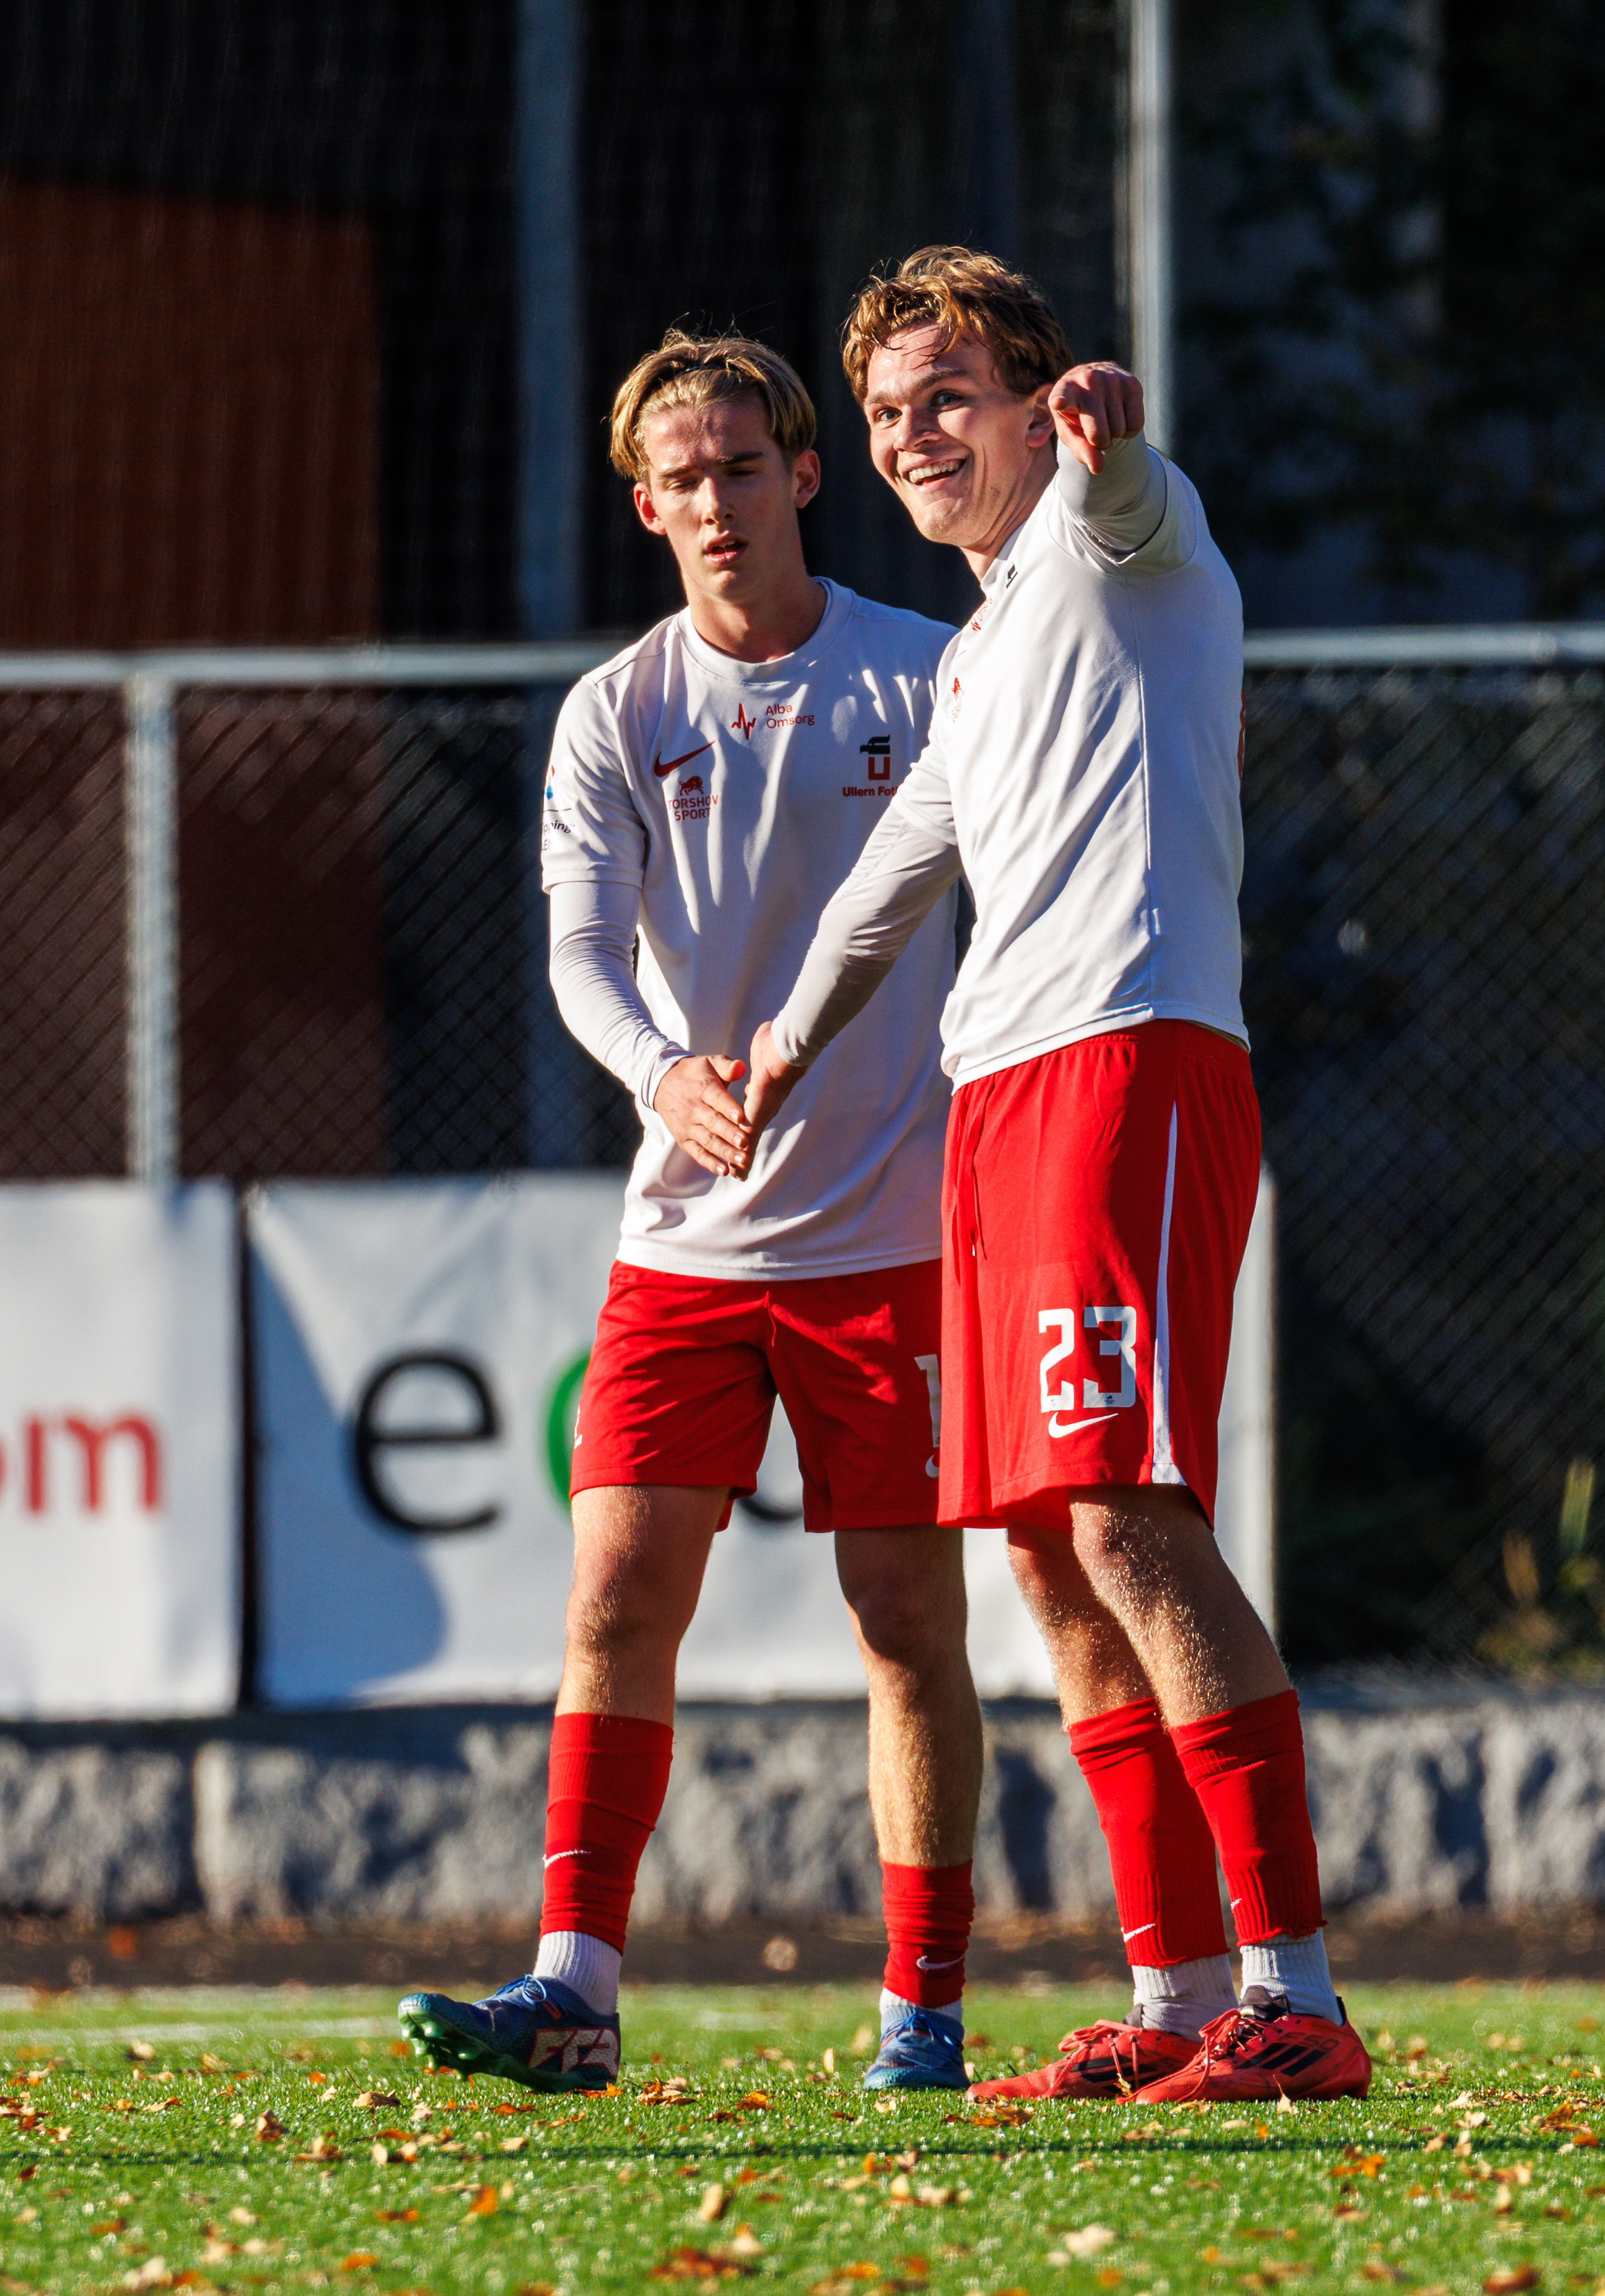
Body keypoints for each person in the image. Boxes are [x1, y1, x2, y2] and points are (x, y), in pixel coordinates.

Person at [745, 247, 1368, 2103]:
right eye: (883, 415)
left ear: (1030, 400)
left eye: (949, 397)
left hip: (1131, 1065)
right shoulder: (986, 645)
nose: (913, 436)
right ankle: (1175, 2002)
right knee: (1042, 1548)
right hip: (995, 1103)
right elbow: (890, 881)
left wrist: (1107, 441)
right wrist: (771, 1053)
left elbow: (1127, 478)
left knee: (1125, 1513)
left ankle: (1297, 1997)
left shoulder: (1125, 546)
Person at [399, 332, 982, 2093]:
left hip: (892, 1239)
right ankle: (571, 1989)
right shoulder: (617, 711)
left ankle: (922, 2013)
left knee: (903, 1622)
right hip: (687, 1240)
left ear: (806, 477)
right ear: (641, 504)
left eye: (745, 467)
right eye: (683, 478)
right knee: (613, 1599)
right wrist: (667, 1074)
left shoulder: (933, 674)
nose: (715, 503)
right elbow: (578, 953)